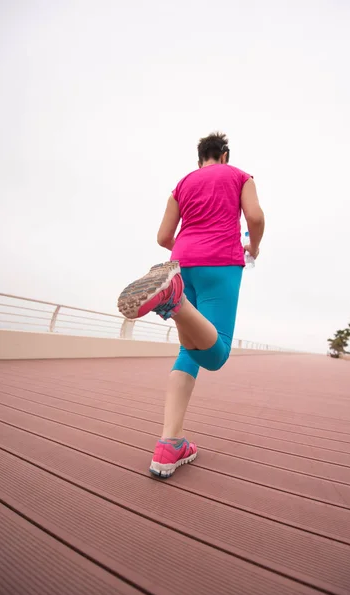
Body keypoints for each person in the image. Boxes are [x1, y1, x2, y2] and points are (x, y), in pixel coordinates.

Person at [118, 132, 265, 477]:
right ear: (224, 155)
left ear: (200, 158)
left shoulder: (182, 185)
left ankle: (170, 444)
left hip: (182, 262)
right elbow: (255, 219)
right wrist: (253, 248)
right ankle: (175, 300)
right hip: (222, 262)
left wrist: (187, 242)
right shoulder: (240, 176)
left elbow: (163, 237)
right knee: (217, 353)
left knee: (188, 353)